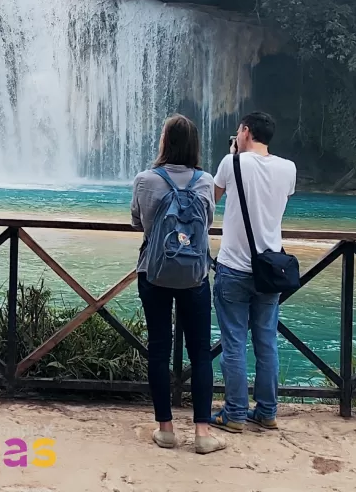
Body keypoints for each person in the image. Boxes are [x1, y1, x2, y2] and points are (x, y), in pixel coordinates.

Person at [132, 114, 226, 454]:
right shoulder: (205, 181)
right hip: (195, 275)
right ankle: (202, 433)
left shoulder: (145, 179)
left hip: (153, 273)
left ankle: (166, 429)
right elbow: (208, 222)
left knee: (158, 348)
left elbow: (137, 221)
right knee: (201, 353)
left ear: (165, 142)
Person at [211, 112, 296, 433]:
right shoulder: (289, 169)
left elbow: (211, 202)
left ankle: (233, 414)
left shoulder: (231, 163)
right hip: (271, 270)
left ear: (245, 132)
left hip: (233, 268)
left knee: (233, 344)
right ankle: (267, 411)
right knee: (266, 342)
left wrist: (234, 156)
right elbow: (275, 203)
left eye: (238, 131)